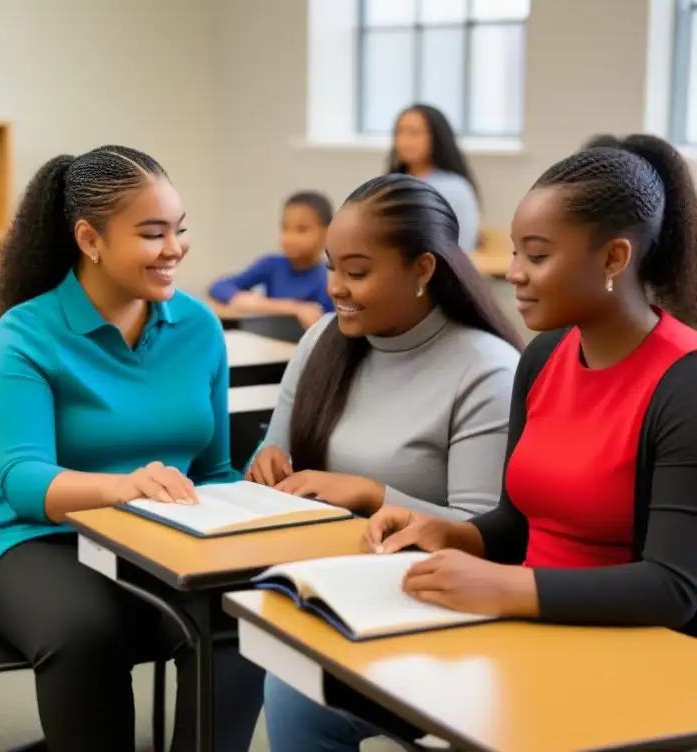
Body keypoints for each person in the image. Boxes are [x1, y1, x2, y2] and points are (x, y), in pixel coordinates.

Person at [275, 133, 697, 751]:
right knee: (301, 693)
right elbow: (519, 521)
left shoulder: (682, 383)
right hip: (525, 624)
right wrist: (456, 534)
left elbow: (673, 588)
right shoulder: (547, 356)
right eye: (518, 252)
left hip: (626, 648)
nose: (515, 274)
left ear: (614, 258)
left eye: (538, 256)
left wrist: (506, 586)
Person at [0, 145, 264, 752]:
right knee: (85, 633)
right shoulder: (25, 333)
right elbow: (23, 480)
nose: (175, 249)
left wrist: (255, 506)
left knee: (242, 617)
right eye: (153, 233)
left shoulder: (200, 326)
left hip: (161, 539)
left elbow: (212, 469)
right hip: (38, 542)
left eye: (179, 231)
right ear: (90, 239)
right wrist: (121, 486)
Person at [256, 173, 522, 750]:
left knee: (295, 684)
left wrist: (372, 494)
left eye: (356, 272)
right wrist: (266, 462)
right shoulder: (324, 340)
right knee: (289, 684)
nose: (335, 288)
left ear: (423, 269)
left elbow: (483, 533)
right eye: (331, 267)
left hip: (436, 604)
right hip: (327, 588)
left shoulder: (485, 368)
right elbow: (271, 459)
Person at [208, 191, 334, 328]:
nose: (289, 238)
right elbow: (219, 286)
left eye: (301, 229)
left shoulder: (327, 278)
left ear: (327, 233)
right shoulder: (271, 265)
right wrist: (294, 307)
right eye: (285, 228)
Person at [389, 104, 480, 253]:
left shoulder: (455, 188)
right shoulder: (390, 186)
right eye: (399, 132)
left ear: (436, 137)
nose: (404, 140)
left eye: (415, 133)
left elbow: (462, 246)